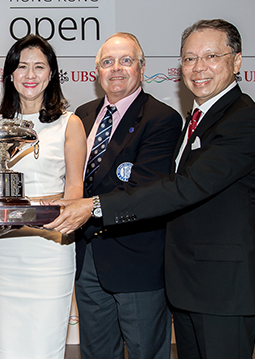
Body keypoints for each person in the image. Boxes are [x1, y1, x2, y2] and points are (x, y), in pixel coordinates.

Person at [46, 19, 255, 359]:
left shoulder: (242, 119)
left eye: (211, 56)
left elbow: (183, 187)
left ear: (236, 61)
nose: (198, 67)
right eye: (189, 59)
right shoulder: (199, 118)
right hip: (186, 280)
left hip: (221, 285)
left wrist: (93, 206)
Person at [73, 33, 182, 359]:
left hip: (137, 261)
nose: (116, 69)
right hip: (88, 259)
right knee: (96, 353)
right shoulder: (82, 115)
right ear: (97, 72)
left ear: (142, 67)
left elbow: (145, 190)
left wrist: (87, 208)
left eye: (126, 60)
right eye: (107, 62)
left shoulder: (161, 119)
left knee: (145, 352)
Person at [0, 34, 87, 359]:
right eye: (22, 66)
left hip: (50, 251)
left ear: (51, 74)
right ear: (10, 75)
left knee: (46, 345)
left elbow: (73, 195)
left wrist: (29, 210)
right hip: (5, 251)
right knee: (9, 346)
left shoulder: (69, 124)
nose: (30, 75)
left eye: (39, 66)